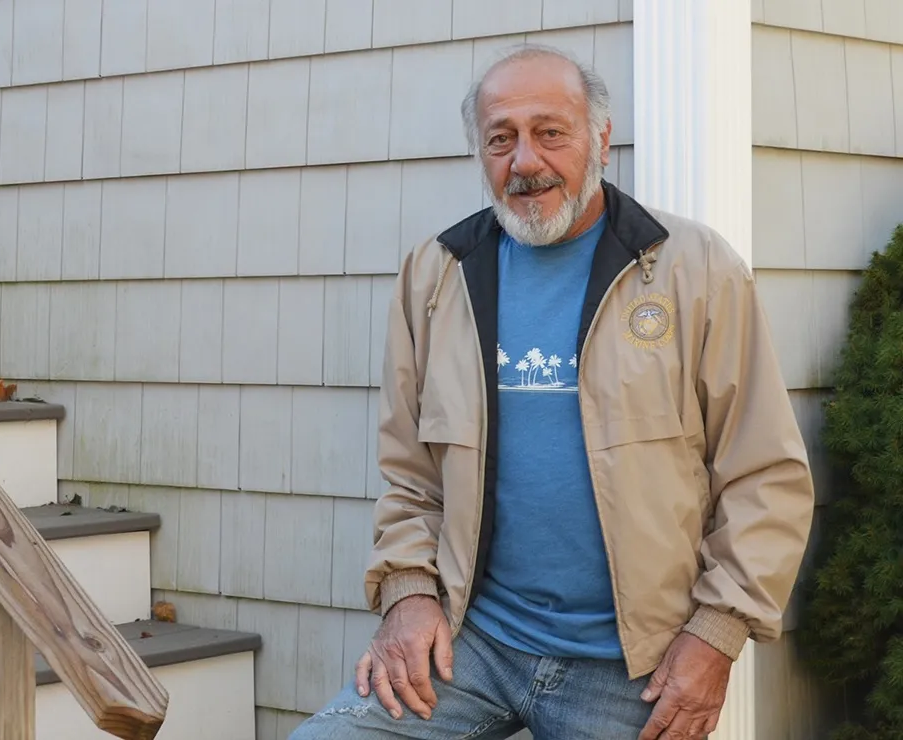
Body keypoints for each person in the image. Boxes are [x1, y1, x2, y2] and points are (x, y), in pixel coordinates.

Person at [290, 45, 814, 740]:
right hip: (471, 644)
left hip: (630, 668)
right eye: (501, 139)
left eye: (550, 132)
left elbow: (765, 475)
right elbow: (410, 475)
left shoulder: (696, 269)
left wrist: (716, 634)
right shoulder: (436, 275)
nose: (525, 161)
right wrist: (408, 595)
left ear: (600, 136)